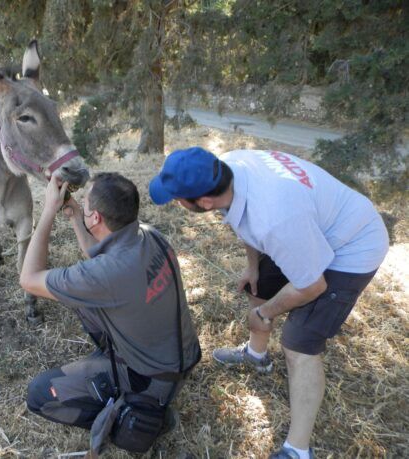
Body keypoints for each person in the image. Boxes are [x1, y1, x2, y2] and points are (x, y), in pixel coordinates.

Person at [149, 147, 389, 459]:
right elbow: (244, 219)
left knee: (299, 344)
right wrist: (254, 267)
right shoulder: (229, 166)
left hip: (353, 246)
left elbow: (312, 284)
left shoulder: (275, 218)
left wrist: (264, 312)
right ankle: (256, 355)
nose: (177, 203)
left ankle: (297, 450)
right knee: (259, 280)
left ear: (204, 202)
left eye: (178, 199)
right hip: (307, 227)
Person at [20, 172, 201, 453]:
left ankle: (132, 415)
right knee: (82, 300)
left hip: (153, 380)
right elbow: (103, 257)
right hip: (181, 357)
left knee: (40, 394)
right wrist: (76, 217)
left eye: (87, 206)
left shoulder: (106, 276)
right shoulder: (150, 235)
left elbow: (29, 279)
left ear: (97, 219)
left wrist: (47, 213)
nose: (83, 207)